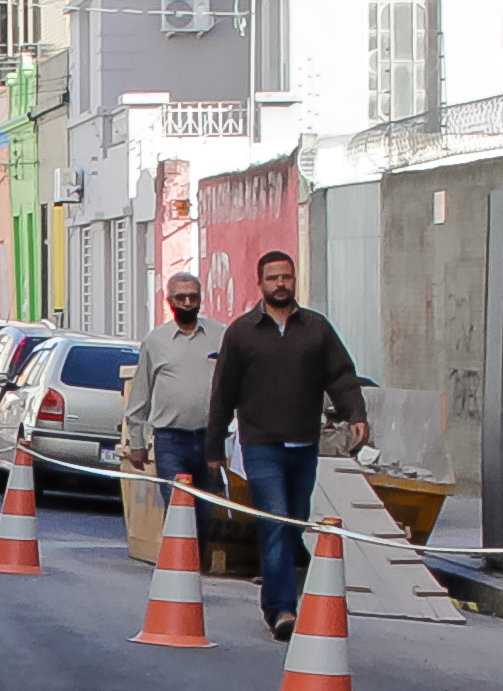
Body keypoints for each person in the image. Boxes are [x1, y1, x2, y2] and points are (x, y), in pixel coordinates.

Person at [202, 247, 369, 639]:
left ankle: (298, 577)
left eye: (287, 277)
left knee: (294, 522)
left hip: (304, 444)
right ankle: (281, 611)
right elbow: (222, 393)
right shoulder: (242, 333)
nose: (281, 283)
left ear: (295, 281)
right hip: (261, 445)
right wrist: (213, 448)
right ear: (259, 284)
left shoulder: (317, 329)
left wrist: (356, 415)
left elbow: (342, 376)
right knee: (275, 521)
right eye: (273, 277)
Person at [115, 266, 220, 542]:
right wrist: (136, 442)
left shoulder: (221, 335)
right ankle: (177, 569)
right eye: (181, 297)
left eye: (193, 297)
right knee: (177, 506)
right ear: (170, 301)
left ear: (200, 299)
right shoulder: (155, 341)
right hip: (171, 440)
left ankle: (196, 569)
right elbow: (141, 395)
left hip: (212, 438)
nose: (187, 302)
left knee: (207, 512)